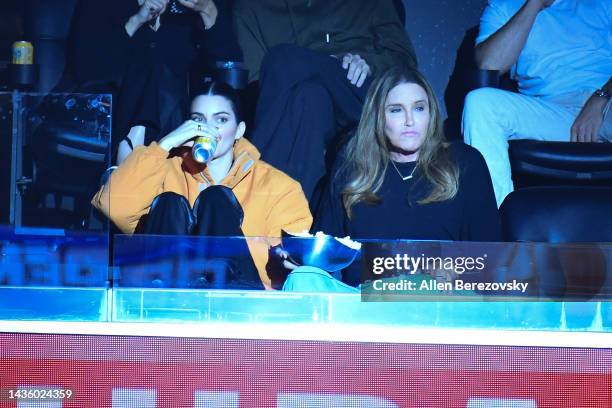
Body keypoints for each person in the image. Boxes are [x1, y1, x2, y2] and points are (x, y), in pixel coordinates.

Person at [92, 82, 312, 289]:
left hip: (238, 306)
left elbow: (290, 263)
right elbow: (114, 208)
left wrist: (290, 258)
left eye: (221, 120)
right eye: (199, 119)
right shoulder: (163, 168)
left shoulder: (277, 186)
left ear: (239, 130)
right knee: (169, 202)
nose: (208, 129)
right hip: (166, 298)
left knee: (216, 199)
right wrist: (166, 144)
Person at [233, 0, 417, 202]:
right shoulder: (253, 7)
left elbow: (403, 58)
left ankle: (250, 193)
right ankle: (297, 221)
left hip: (359, 93)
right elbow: (257, 82)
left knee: (281, 58)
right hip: (300, 97)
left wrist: (368, 63)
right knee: (310, 98)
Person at [314, 66, 501, 244]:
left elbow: (490, 258)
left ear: (431, 113)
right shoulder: (352, 168)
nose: (410, 121)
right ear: (377, 117)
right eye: (396, 110)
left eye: (419, 108)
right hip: (365, 279)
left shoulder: (464, 163)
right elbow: (322, 256)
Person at [462, 0, 612, 206]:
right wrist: (534, 4)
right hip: (552, 111)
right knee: (480, 103)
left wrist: (601, 96)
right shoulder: (502, 7)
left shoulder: (601, 4)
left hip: (605, 103)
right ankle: (494, 225)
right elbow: (490, 63)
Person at [61, 0, 243, 164]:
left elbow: (230, 65)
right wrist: (136, 21)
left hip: (176, 111)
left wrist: (207, 10)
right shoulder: (103, 5)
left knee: (164, 77)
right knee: (147, 67)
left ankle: (132, 159)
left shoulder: (191, 9)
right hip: (104, 109)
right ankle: (135, 158)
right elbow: (86, 69)